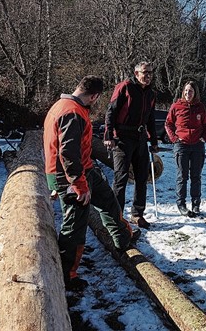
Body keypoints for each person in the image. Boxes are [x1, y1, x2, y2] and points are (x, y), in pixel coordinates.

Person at [43, 75, 139, 291]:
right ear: (94, 96)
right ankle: (68, 275)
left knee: (107, 199)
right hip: (70, 175)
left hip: (83, 170)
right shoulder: (72, 112)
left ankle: (122, 238)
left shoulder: (63, 105)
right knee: (75, 226)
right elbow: (68, 153)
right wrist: (78, 185)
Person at [104, 61, 158, 229]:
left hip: (140, 138)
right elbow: (111, 111)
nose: (148, 76)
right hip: (122, 138)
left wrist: (154, 140)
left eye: (150, 72)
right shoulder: (125, 87)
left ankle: (137, 214)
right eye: (144, 72)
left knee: (142, 178)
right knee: (120, 178)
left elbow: (150, 118)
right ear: (136, 74)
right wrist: (108, 135)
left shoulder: (150, 93)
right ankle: (117, 216)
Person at [165, 81, 206, 216]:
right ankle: (182, 205)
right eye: (185, 91)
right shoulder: (176, 106)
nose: (187, 94)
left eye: (190, 91)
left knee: (196, 177)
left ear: (195, 93)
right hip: (181, 145)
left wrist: (204, 137)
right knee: (182, 176)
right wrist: (174, 138)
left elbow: (205, 124)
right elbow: (168, 124)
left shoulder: (200, 107)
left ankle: (196, 204)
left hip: (197, 146)